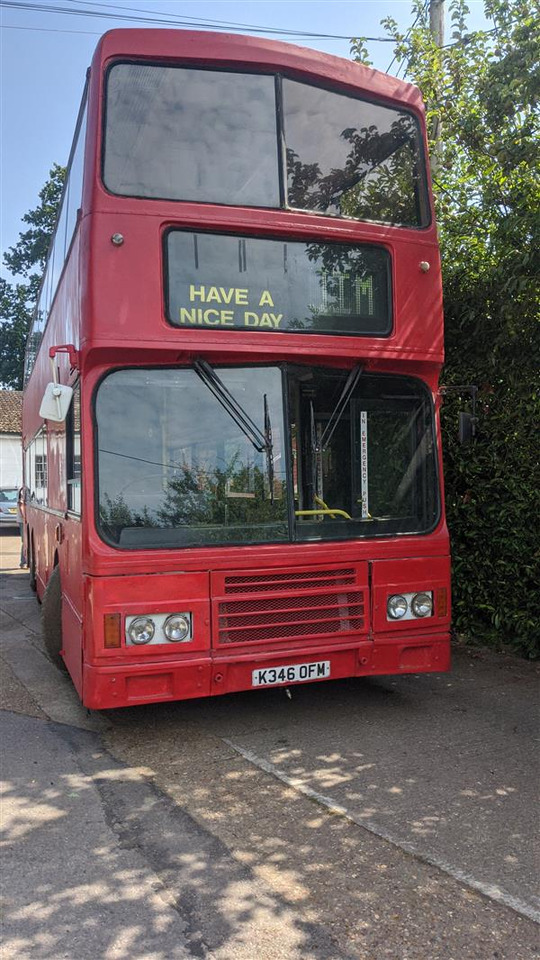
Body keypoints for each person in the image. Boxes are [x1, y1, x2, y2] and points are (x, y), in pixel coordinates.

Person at [17, 485, 28, 568]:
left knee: (25, 541)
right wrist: (25, 518)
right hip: (22, 521)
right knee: (25, 541)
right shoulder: (23, 490)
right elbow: (21, 506)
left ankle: (24, 561)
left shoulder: (23, 489)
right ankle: (23, 561)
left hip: (22, 520)